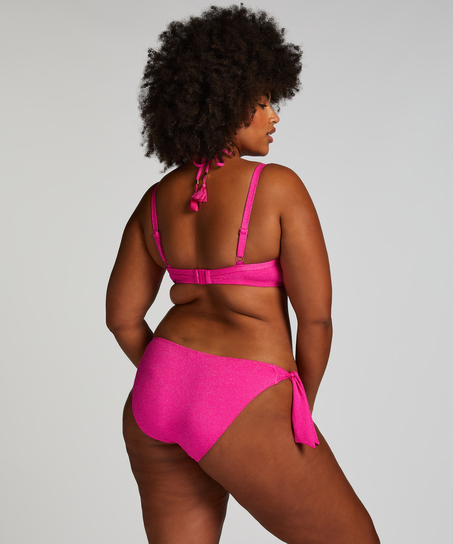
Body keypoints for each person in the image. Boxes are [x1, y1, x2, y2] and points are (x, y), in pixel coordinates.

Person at [106, 5, 380, 543]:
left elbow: (121, 318)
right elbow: (317, 320)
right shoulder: (277, 186)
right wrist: (298, 408)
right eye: (262, 102)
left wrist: (175, 380)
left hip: (155, 395)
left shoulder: (154, 201)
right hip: (245, 396)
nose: (274, 116)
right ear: (226, 104)